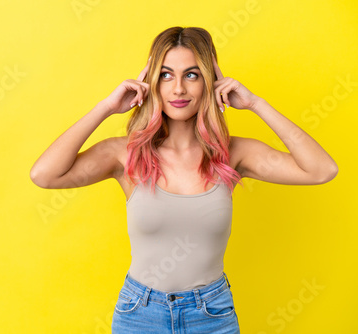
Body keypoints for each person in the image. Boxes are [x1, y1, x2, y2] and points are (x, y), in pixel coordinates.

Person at [29, 26, 338, 333]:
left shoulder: (233, 154)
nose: (178, 89)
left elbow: (321, 170)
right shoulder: (125, 155)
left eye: (191, 75)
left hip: (212, 314)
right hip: (140, 314)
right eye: (165, 75)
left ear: (209, 82)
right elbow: (45, 174)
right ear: (150, 83)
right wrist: (107, 107)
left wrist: (256, 104)